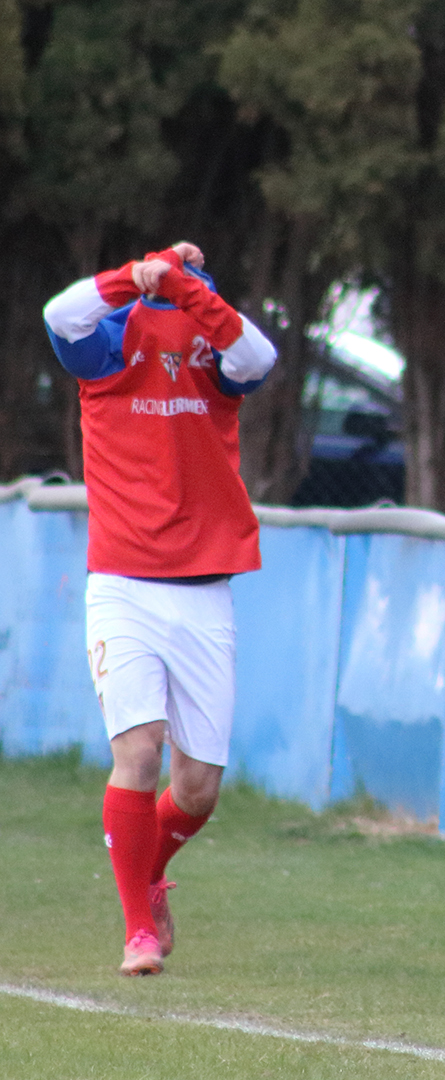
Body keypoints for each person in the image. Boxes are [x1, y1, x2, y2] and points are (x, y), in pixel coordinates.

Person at [41, 242, 278, 976]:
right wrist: (133, 276)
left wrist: (187, 288)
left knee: (198, 788)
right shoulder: (108, 348)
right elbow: (60, 313)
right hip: (123, 585)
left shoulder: (214, 353)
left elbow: (260, 356)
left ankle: (145, 868)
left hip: (204, 591)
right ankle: (137, 931)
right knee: (139, 751)